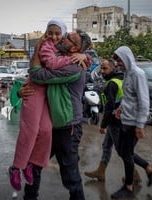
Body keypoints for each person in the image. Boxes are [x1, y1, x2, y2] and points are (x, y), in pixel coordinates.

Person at [8, 19, 90, 192]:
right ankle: (26, 188)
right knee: (34, 164)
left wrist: (85, 56)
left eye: (67, 38)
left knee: (71, 176)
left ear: (75, 48)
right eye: (64, 35)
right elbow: (36, 78)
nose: (62, 39)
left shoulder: (75, 66)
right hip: (52, 122)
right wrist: (21, 91)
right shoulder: (58, 54)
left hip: (68, 128)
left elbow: (38, 75)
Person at [111, 46, 152, 199]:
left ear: (127, 57)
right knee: (125, 152)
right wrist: (120, 108)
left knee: (126, 154)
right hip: (127, 119)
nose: (118, 63)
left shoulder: (138, 74)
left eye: (119, 59)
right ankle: (150, 168)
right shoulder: (127, 73)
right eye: (117, 60)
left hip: (134, 122)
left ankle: (129, 186)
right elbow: (129, 97)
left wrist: (140, 125)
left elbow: (144, 101)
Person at [84, 59, 141, 183]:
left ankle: (142, 170)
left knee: (123, 151)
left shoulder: (111, 84)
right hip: (118, 119)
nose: (102, 71)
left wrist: (103, 125)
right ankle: (101, 171)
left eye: (105, 68)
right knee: (106, 145)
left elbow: (109, 107)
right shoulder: (121, 79)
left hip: (116, 121)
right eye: (101, 69)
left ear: (112, 68)